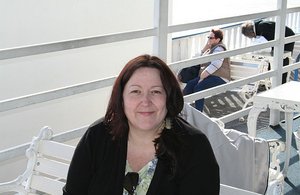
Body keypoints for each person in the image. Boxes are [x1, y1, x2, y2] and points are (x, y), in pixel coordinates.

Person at [63, 54, 220, 195]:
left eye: (156, 91)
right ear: (121, 97)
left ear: (169, 97)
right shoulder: (97, 137)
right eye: (136, 91)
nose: (145, 101)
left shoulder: (194, 147)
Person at [183, 28, 230, 112]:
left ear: (218, 39)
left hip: (220, 78)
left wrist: (202, 77)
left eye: (211, 38)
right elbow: (197, 60)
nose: (208, 39)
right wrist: (204, 49)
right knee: (190, 85)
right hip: (209, 76)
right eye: (208, 37)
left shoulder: (220, 49)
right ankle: (181, 108)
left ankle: (198, 113)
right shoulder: (210, 49)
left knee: (199, 87)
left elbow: (216, 65)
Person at [241, 19, 295, 83]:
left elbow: (274, 41)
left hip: (287, 37)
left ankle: (281, 81)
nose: (253, 37)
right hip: (281, 38)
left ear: (251, 32)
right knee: (274, 60)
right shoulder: (258, 25)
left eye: (250, 36)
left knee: (283, 60)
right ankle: (271, 80)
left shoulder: (262, 27)